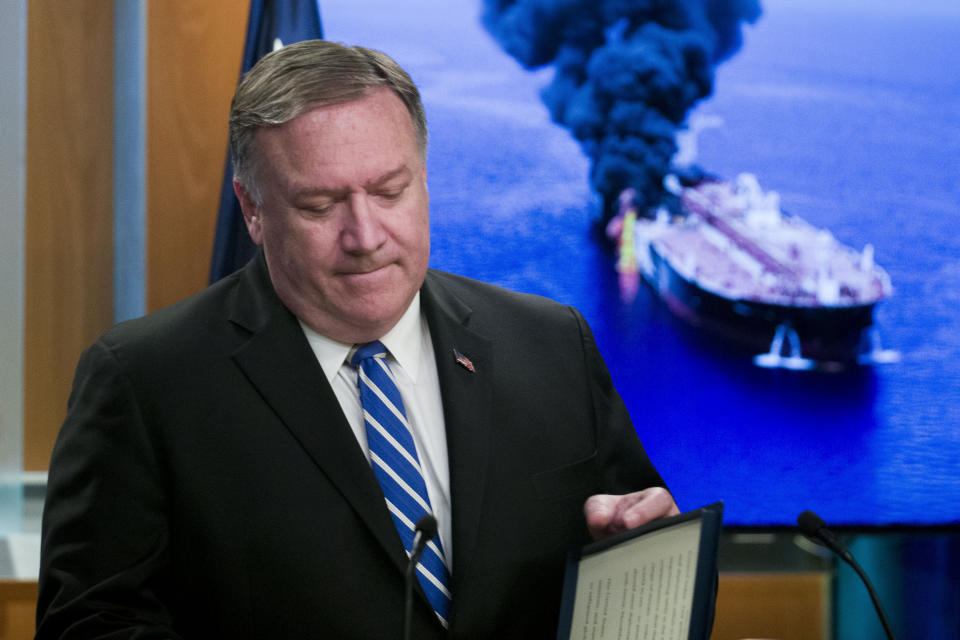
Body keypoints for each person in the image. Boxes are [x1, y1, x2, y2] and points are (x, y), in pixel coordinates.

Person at [36, 40, 679, 639]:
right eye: (319, 205)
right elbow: (89, 626)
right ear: (253, 210)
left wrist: (653, 560)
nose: (365, 235)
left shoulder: (551, 344)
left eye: (390, 191)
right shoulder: (144, 382)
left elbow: (639, 561)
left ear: (424, 182)